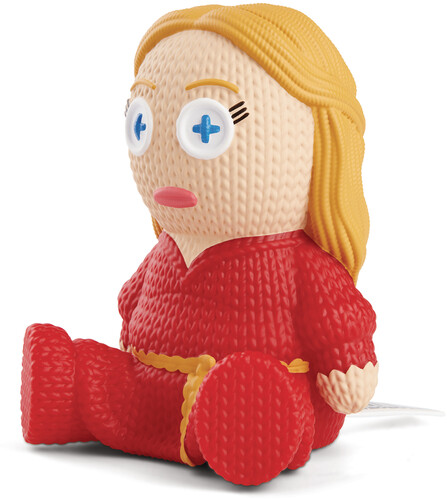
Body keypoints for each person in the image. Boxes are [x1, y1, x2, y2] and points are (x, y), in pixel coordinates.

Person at [21, 4, 378, 485]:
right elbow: (131, 300)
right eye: (142, 125)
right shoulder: (171, 245)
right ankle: (65, 391)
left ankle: (247, 422)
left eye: (206, 128)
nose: (166, 156)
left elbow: (337, 318)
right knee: (99, 378)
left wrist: (348, 364)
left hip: (258, 389)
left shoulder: (294, 263)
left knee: (260, 396)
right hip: (151, 387)